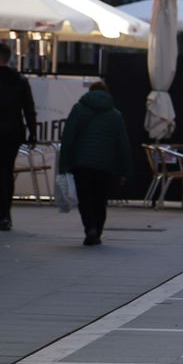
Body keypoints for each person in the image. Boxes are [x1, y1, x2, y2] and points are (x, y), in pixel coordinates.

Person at [57, 81, 131, 245]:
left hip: (81, 164)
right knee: (100, 200)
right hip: (105, 166)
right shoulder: (115, 115)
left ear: (90, 92)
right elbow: (122, 144)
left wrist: (63, 165)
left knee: (85, 199)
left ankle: (89, 228)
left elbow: (68, 138)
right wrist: (124, 170)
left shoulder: (78, 110)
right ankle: (97, 230)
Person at [0, 42, 37, 232]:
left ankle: (3, 215)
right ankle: (6, 214)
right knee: (7, 171)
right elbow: (29, 109)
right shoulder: (20, 81)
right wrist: (33, 132)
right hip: (14, 132)